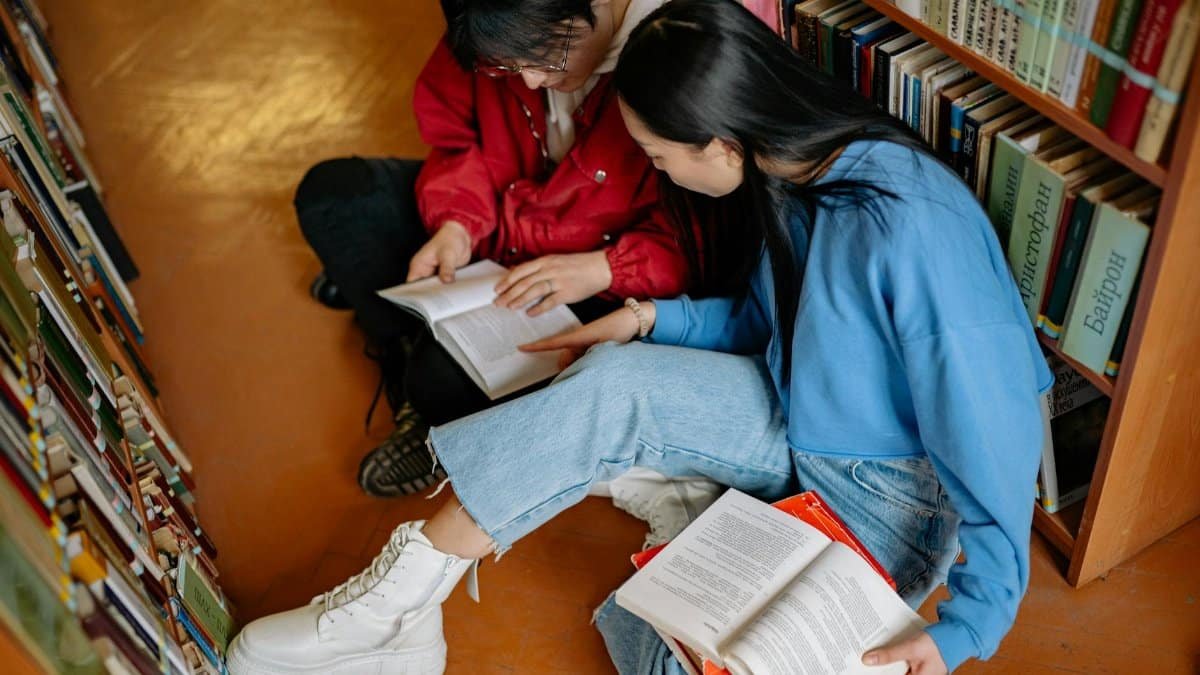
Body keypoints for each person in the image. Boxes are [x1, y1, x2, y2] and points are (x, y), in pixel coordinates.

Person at [229, 1, 1052, 673]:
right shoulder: (789, 173)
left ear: (721, 143)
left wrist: (967, 627)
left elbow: (996, 428)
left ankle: (716, 545)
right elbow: (778, 326)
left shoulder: (910, 223)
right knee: (617, 378)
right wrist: (654, 319)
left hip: (885, 493)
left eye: (660, 156)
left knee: (655, 643)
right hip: (790, 417)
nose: (654, 172)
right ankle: (399, 605)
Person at [295, 0, 692, 498]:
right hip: (498, 229)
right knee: (332, 196)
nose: (527, 81)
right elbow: (457, 142)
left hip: (596, 274)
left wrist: (606, 267)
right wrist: (457, 224)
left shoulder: (674, 55)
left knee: (440, 380)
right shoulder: (487, 21)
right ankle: (409, 374)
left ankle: (418, 379)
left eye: (546, 53)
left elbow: (704, 232)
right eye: (504, 65)